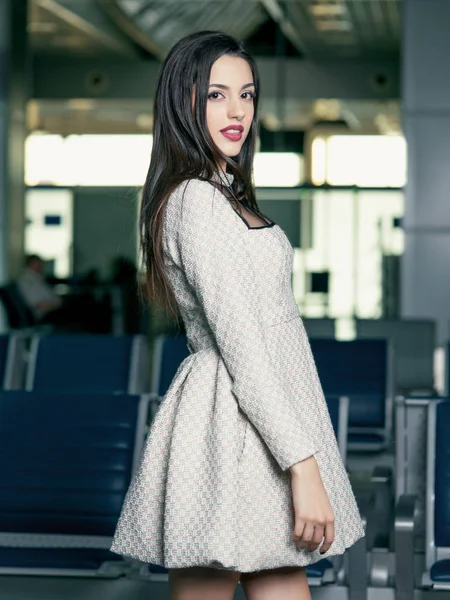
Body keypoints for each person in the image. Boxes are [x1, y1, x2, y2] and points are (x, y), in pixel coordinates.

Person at [110, 31, 365, 599]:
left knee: (279, 577)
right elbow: (244, 347)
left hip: (263, 416)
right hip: (232, 417)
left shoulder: (221, 191)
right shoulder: (196, 200)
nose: (237, 111)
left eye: (246, 94)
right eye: (216, 94)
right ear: (184, 102)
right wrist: (304, 466)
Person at [17, 254, 62, 321]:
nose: (42, 266)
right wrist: (54, 306)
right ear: (31, 263)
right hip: (43, 315)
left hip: (51, 310)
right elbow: (37, 304)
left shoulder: (38, 277)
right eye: (39, 263)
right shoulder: (26, 280)